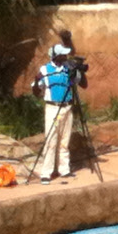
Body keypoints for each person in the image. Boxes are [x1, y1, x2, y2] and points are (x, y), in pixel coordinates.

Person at [32, 42, 88, 185]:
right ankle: (46, 172)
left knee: (64, 140)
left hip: (67, 108)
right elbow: (36, 91)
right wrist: (37, 80)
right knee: (51, 140)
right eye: (62, 55)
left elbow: (83, 85)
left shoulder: (68, 69)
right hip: (53, 108)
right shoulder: (45, 69)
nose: (65, 57)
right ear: (55, 56)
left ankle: (64, 169)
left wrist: (79, 70)